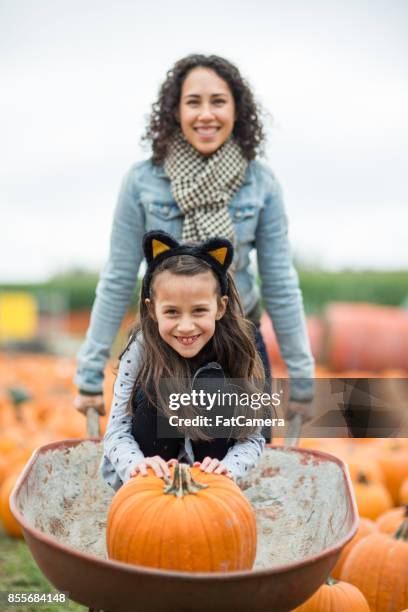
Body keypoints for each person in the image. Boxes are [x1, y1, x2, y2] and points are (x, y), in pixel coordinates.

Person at [74, 53, 314, 430]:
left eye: (218, 101)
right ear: (175, 111)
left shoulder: (261, 184)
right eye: (193, 102)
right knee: (156, 465)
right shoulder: (141, 182)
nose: (206, 114)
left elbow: (281, 283)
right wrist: (89, 374)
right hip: (161, 347)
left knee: (243, 462)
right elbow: (118, 279)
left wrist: (302, 379)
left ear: (237, 111)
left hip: (238, 343)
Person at [102, 231, 268, 491]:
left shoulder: (236, 350)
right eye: (171, 312)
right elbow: (117, 430)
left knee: (213, 386)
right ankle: (151, 486)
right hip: (149, 481)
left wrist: (228, 470)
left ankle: (209, 490)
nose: (186, 326)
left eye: (199, 310)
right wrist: (137, 465)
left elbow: (252, 437)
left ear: (220, 307)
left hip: (211, 482)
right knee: (155, 388)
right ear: (151, 310)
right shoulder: (142, 348)